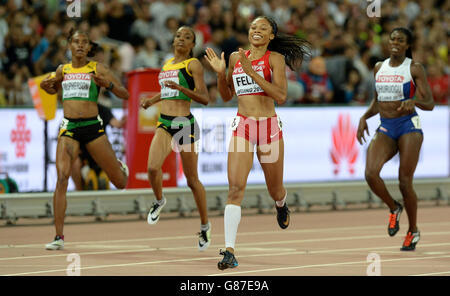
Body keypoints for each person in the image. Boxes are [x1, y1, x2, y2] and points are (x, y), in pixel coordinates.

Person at [205, 16, 310, 269]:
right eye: (253, 27)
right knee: (235, 188)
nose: (256, 30)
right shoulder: (234, 58)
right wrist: (221, 74)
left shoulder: (275, 59)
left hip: (269, 129)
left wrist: (253, 73)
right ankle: (229, 251)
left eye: (263, 28)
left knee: (275, 188)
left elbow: (281, 95)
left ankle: (281, 204)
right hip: (243, 126)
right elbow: (226, 94)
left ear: (271, 36)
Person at [40, 29, 130, 250]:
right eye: (76, 42)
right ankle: (58, 236)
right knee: (62, 178)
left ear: (90, 48)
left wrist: (106, 84)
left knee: (119, 183)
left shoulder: (98, 68)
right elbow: (52, 90)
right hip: (69, 127)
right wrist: (47, 87)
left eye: (84, 42)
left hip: (92, 127)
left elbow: (125, 94)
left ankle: (120, 168)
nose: (80, 45)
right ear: (69, 46)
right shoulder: (62, 70)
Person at [357, 27, 435, 251]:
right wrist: (364, 117)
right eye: (393, 39)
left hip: (409, 125)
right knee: (371, 174)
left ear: (407, 45)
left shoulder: (414, 68)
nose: (395, 43)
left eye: (401, 40)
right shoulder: (378, 67)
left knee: (404, 181)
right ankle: (394, 208)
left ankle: (413, 230)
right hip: (386, 126)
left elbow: (429, 103)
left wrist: (414, 101)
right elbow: (378, 100)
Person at [140, 26, 212, 251]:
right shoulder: (167, 64)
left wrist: (181, 88)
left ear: (192, 45)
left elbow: (204, 98)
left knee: (192, 180)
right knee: (152, 168)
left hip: (184, 125)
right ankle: (160, 201)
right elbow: (168, 90)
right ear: (173, 41)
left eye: (187, 37)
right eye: (179, 36)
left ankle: (204, 226)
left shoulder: (193, 65)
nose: (181, 39)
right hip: (164, 122)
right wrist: (152, 100)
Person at [71, 103, 126, 191]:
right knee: (73, 161)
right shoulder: (75, 111)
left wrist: (126, 117)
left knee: (114, 162)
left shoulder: (103, 110)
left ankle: (115, 186)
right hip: (83, 153)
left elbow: (116, 124)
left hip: (100, 151)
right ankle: (79, 190)